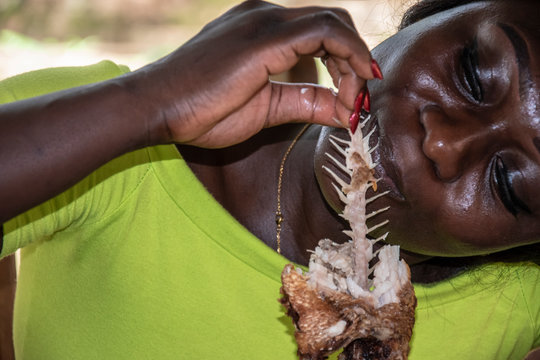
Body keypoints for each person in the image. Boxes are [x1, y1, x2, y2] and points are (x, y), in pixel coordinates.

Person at [0, 0, 538, 359]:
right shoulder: (111, 145)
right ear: (428, 14)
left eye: (509, 183)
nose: (442, 144)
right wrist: (151, 104)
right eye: (471, 73)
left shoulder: (517, 310)